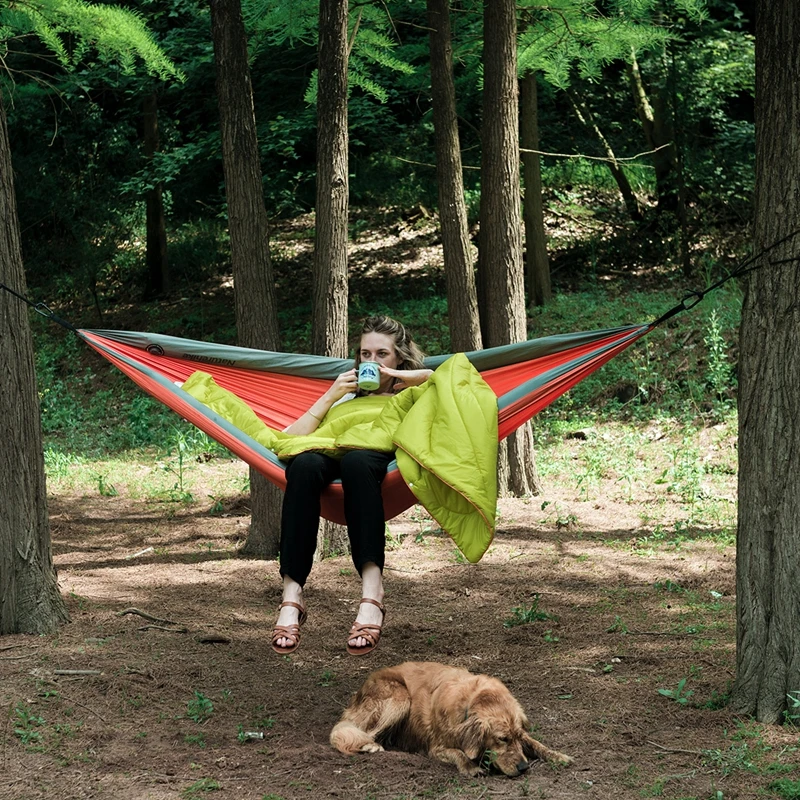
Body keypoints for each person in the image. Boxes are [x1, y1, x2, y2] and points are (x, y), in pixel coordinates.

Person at [271, 315, 433, 656]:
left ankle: (372, 594)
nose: (371, 362)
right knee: (303, 464)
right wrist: (330, 395)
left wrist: (396, 377)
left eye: (381, 354)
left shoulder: (413, 392)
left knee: (358, 462)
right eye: (364, 354)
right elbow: (286, 441)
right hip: (330, 447)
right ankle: (291, 596)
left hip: (372, 454)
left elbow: (445, 379)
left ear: (399, 358)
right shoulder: (344, 395)